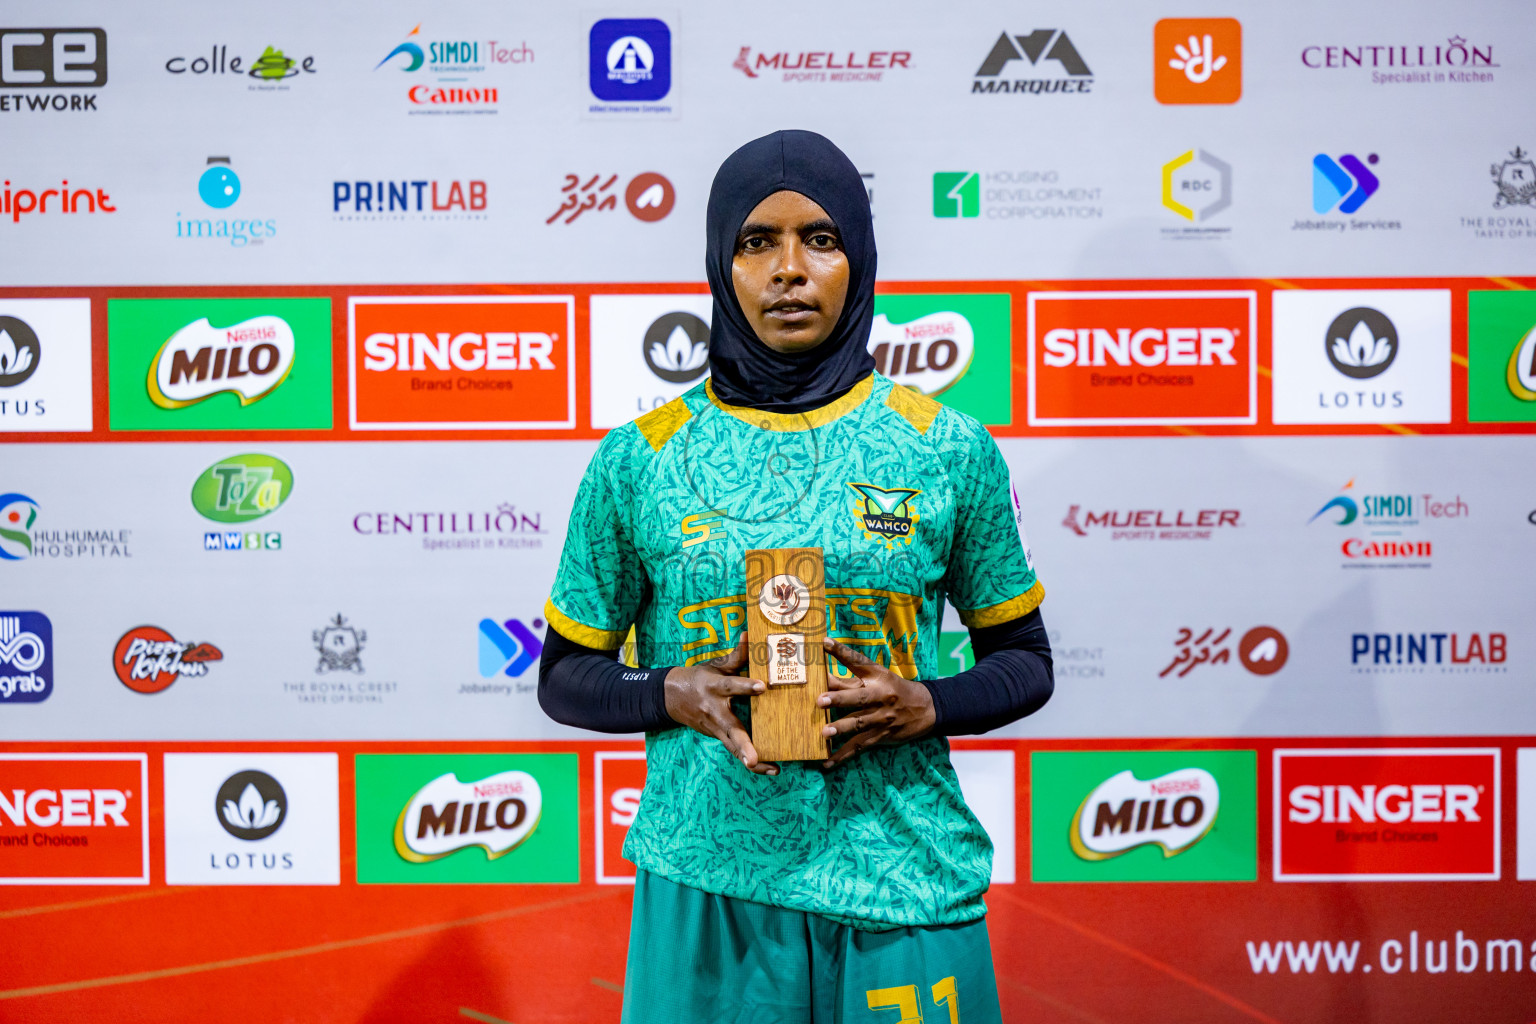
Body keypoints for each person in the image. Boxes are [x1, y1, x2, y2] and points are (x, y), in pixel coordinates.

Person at [539, 130, 1053, 1023]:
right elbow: (564, 676)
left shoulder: (945, 447)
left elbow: (1026, 660)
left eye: (819, 239)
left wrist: (928, 704)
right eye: (756, 242)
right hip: (708, 886)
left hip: (904, 877)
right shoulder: (640, 459)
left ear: (859, 260)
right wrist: (669, 691)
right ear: (718, 263)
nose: (788, 269)